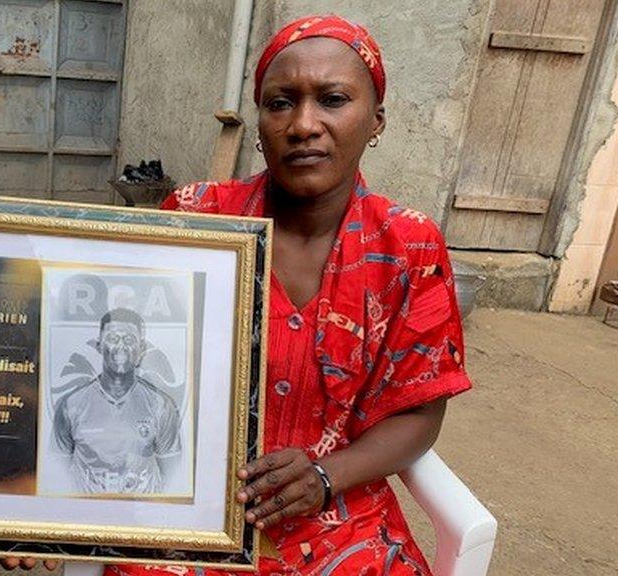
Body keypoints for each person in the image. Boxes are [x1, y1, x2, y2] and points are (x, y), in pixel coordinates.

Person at [112, 14, 471, 576]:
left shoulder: (409, 247)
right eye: (281, 103)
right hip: (191, 505)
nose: (304, 124)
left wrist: (327, 477)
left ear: (375, 119)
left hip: (338, 511)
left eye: (332, 100)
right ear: (259, 123)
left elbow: (421, 411)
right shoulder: (197, 218)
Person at [52, 308, 182, 495]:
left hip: (141, 518)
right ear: (98, 345)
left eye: (129, 340)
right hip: (86, 517)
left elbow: (173, 477)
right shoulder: (71, 405)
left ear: (142, 349)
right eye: (113, 339)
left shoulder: (161, 406)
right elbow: (57, 475)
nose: (121, 346)